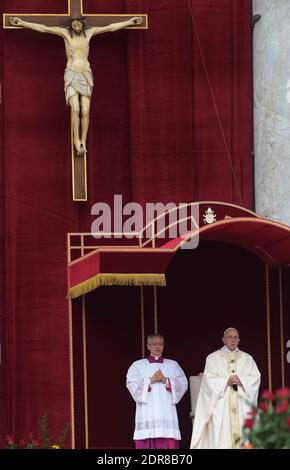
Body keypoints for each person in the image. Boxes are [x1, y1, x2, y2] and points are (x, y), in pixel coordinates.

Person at [9, 15, 143, 156]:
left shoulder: (90, 33)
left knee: (85, 111)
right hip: (72, 74)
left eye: (79, 24)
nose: (77, 27)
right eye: (74, 25)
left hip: (85, 74)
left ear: (83, 25)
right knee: (75, 108)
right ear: (71, 25)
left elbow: (110, 28)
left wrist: (129, 22)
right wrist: (22, 22)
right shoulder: (65, 34)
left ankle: (83, 141)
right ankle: (76, 139)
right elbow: (43, 29)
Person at [190, 327, 261, 449]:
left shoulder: (247, 358)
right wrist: (225, 381)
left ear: (239, 340)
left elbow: (256, 377)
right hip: (221, 405)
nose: (232, 340)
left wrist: (242, 380)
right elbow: (208, 381)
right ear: (223, 340)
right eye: (229, 337)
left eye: (235, 337)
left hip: (241, 404)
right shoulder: (212, 358)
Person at [126, 333, 188, 449]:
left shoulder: (173, 365)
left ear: (163, 346)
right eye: (154, 344)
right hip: (147, 412)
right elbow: (131, 384)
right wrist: (150, 380)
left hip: (167, 412)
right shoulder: (138, 365)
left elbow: (183, 384)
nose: (157, 347)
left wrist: (166, 380)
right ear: (148, 346)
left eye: (160, 344)